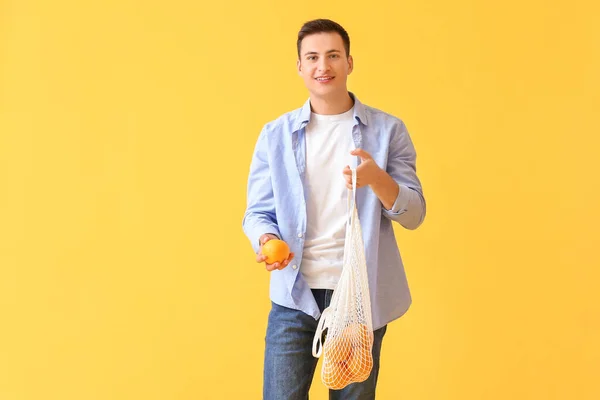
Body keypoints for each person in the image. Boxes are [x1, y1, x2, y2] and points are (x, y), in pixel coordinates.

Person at [242, 18, 426, 400]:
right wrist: (265, 238)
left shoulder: (388, 131)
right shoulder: (275, 135)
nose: (322, 66)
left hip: (360, 298)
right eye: (312, 57)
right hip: (295, 295)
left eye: (332, 56)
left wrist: (378, 179)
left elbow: (414, 214)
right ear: (299, 66)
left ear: (349, 62)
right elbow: (257, 212)